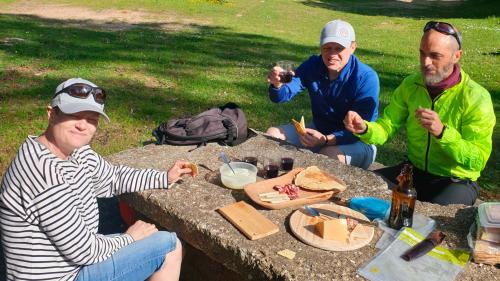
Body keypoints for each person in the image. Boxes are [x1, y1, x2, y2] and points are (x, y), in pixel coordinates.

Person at [0, 78, 196, 281]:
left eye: (91, 119)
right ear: (51, 114)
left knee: (159, 243)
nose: (82, 125)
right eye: (74, 115)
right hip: (64, 274)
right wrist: (130, 238)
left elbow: (113, 177)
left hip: (74, 262)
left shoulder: (76, 152)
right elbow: (84, 251)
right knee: (170, 246)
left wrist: (164, 177)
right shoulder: (41, 172)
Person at [344, 21, 495, 205]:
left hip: (454, 181)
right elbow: (387, 126)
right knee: (360, 188)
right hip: (413, 171)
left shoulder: (476, 97)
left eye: (435, 56)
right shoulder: (411, 85)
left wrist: (442, 132)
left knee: (432, 223)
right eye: (422, 53)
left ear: (456, 56)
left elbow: (477, 160)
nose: (425, 62)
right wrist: (364, 128)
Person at [266, 19, 380, 170]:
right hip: (320, 132)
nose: (332, 54)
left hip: (357, 142)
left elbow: (358, 131)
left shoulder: (366, 77)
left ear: (353, 47)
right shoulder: (313, 65)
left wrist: (326, 140)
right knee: (272, 135)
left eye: (339, 48)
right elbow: (281, 96)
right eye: (327, 48)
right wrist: (277, 84)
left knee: (327, 156)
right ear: (320, 47)